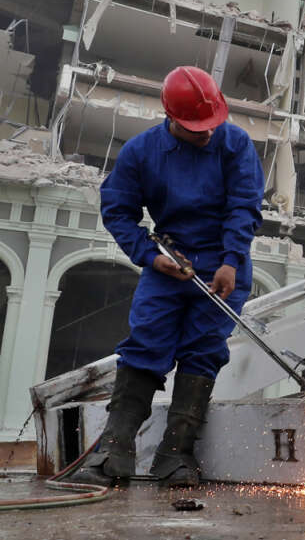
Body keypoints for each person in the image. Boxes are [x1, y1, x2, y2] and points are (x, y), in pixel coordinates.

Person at [72, 66, 264, 486]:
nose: (208, 133)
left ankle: (176, 455)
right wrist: (147, 255)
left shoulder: (235, 144)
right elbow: (117, 210)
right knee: (146, 344)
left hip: (224, 264)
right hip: (168, 261)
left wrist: (232, 260)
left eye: (213, 123)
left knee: (203, 350)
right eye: (198, 128)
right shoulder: (141, 153)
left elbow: (244, 206)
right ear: (172, 118)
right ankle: (113, 452)